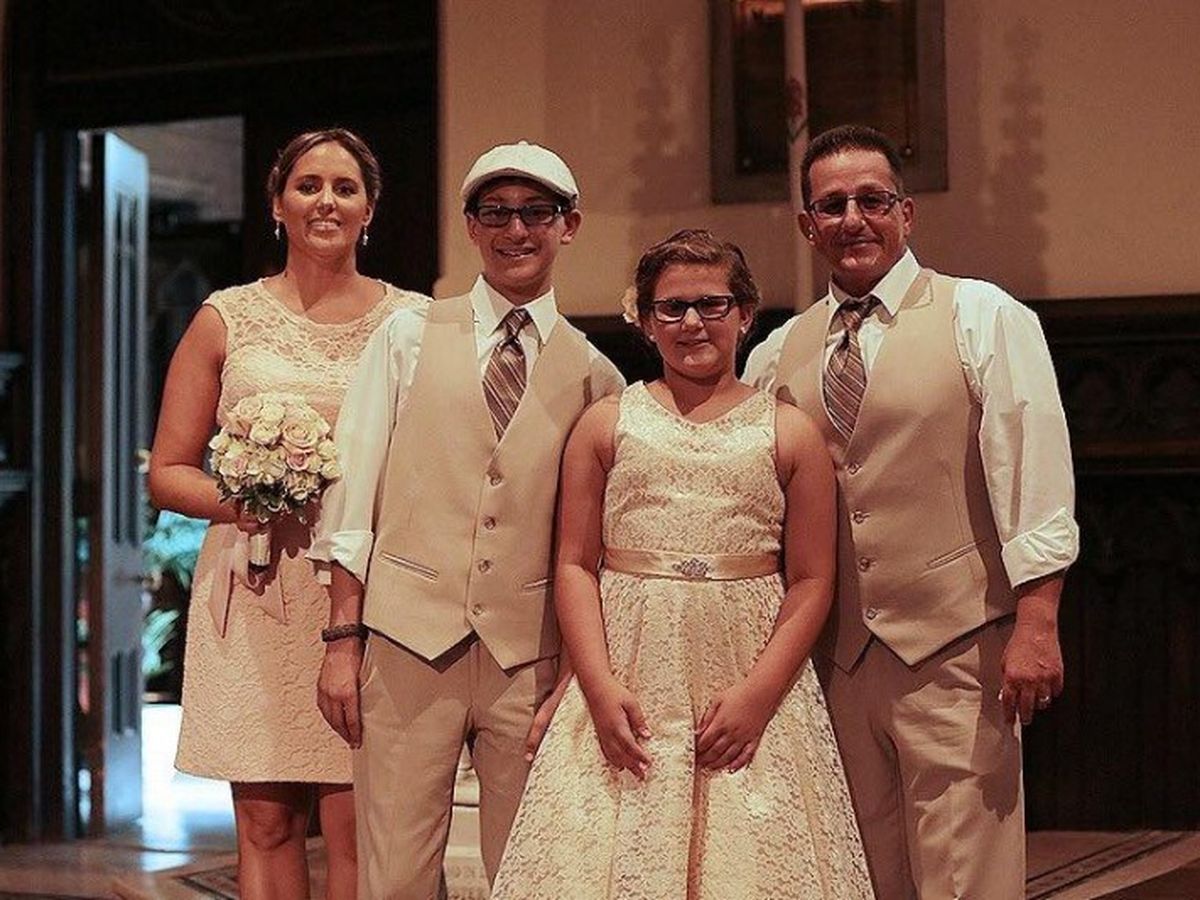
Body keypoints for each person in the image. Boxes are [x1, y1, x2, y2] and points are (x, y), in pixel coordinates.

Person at [743, 124, 1080, 899]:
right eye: (832, 205)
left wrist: (1037, 621)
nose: (853, 219)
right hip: (834, 660)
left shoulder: (983, 315)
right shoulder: (775, 354)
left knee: (966, 875)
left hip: (957, 648)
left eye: (872, 200)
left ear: (906, 212)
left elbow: (1033, 471)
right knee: (859, 872)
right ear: (808, 225)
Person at [490, 229, 873, 899]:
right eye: (671, 307)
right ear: (644, 320)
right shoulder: (607, 424)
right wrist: (597, 686)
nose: (692, 322)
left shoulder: (789, 432)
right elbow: (575, 563)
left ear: (745, 315)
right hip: (630, 670)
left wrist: (758, 696)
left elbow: (813, 579)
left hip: (746, 670)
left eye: (711, 304)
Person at [308, 140, 626, 898]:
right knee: (394, 875)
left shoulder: (597, 375)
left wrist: (576, 675)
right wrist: (343, 640)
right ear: (471, 226)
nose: (516, 230)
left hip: (530, 655)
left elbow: (597, 547)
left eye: (536, 213)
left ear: (570, 225)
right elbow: (352, 495)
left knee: (531, 876)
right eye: (497, 213)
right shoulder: (407, 335)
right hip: (407, 642)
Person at [149, 127, 427, 900]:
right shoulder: (226, 318)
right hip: (256, 590)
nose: (325, 201)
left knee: (357, 824)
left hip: (367, 596)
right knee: (267, 826)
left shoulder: (412, 322)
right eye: (307, 185)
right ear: (278, 205)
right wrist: (252, 498)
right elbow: (168, 474)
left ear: (370, 209)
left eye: (344, 187)